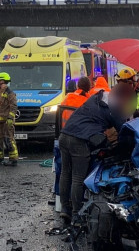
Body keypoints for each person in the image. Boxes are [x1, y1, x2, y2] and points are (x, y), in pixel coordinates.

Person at [57, 82, 133, 224]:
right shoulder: (114, 109)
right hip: (80, 140)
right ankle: (77, 214)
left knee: (65, 173)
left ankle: (64, 209)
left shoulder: (96, 97)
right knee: (78, 178)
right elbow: (125, 131)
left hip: (64, 135)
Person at [0, 72, 18, 166]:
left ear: (1, 81)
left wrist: (10, 118)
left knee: (8, 140)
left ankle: (13, 159)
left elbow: (13, 107)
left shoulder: (9, 93)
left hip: (7, 122)